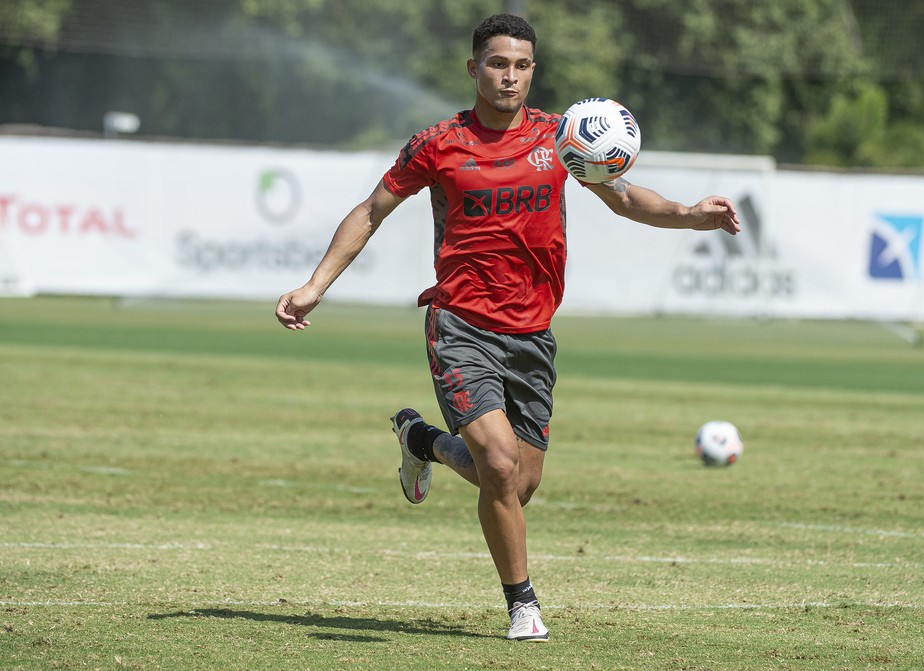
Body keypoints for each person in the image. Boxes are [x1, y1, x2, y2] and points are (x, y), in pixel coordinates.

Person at [275, 13, 741, 642]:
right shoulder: (437, 143)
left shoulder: (564, 138)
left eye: (522, 65)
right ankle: (523, 604)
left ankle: (421, 441)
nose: (510, 76)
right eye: (498, 63)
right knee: (496, 464)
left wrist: (691, 215)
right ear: (474, 69)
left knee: (518, 485)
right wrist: (314, 286)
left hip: (533, 335)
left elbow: (625, 197)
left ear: (533, 71)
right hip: (460, 323)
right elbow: (371, 210)